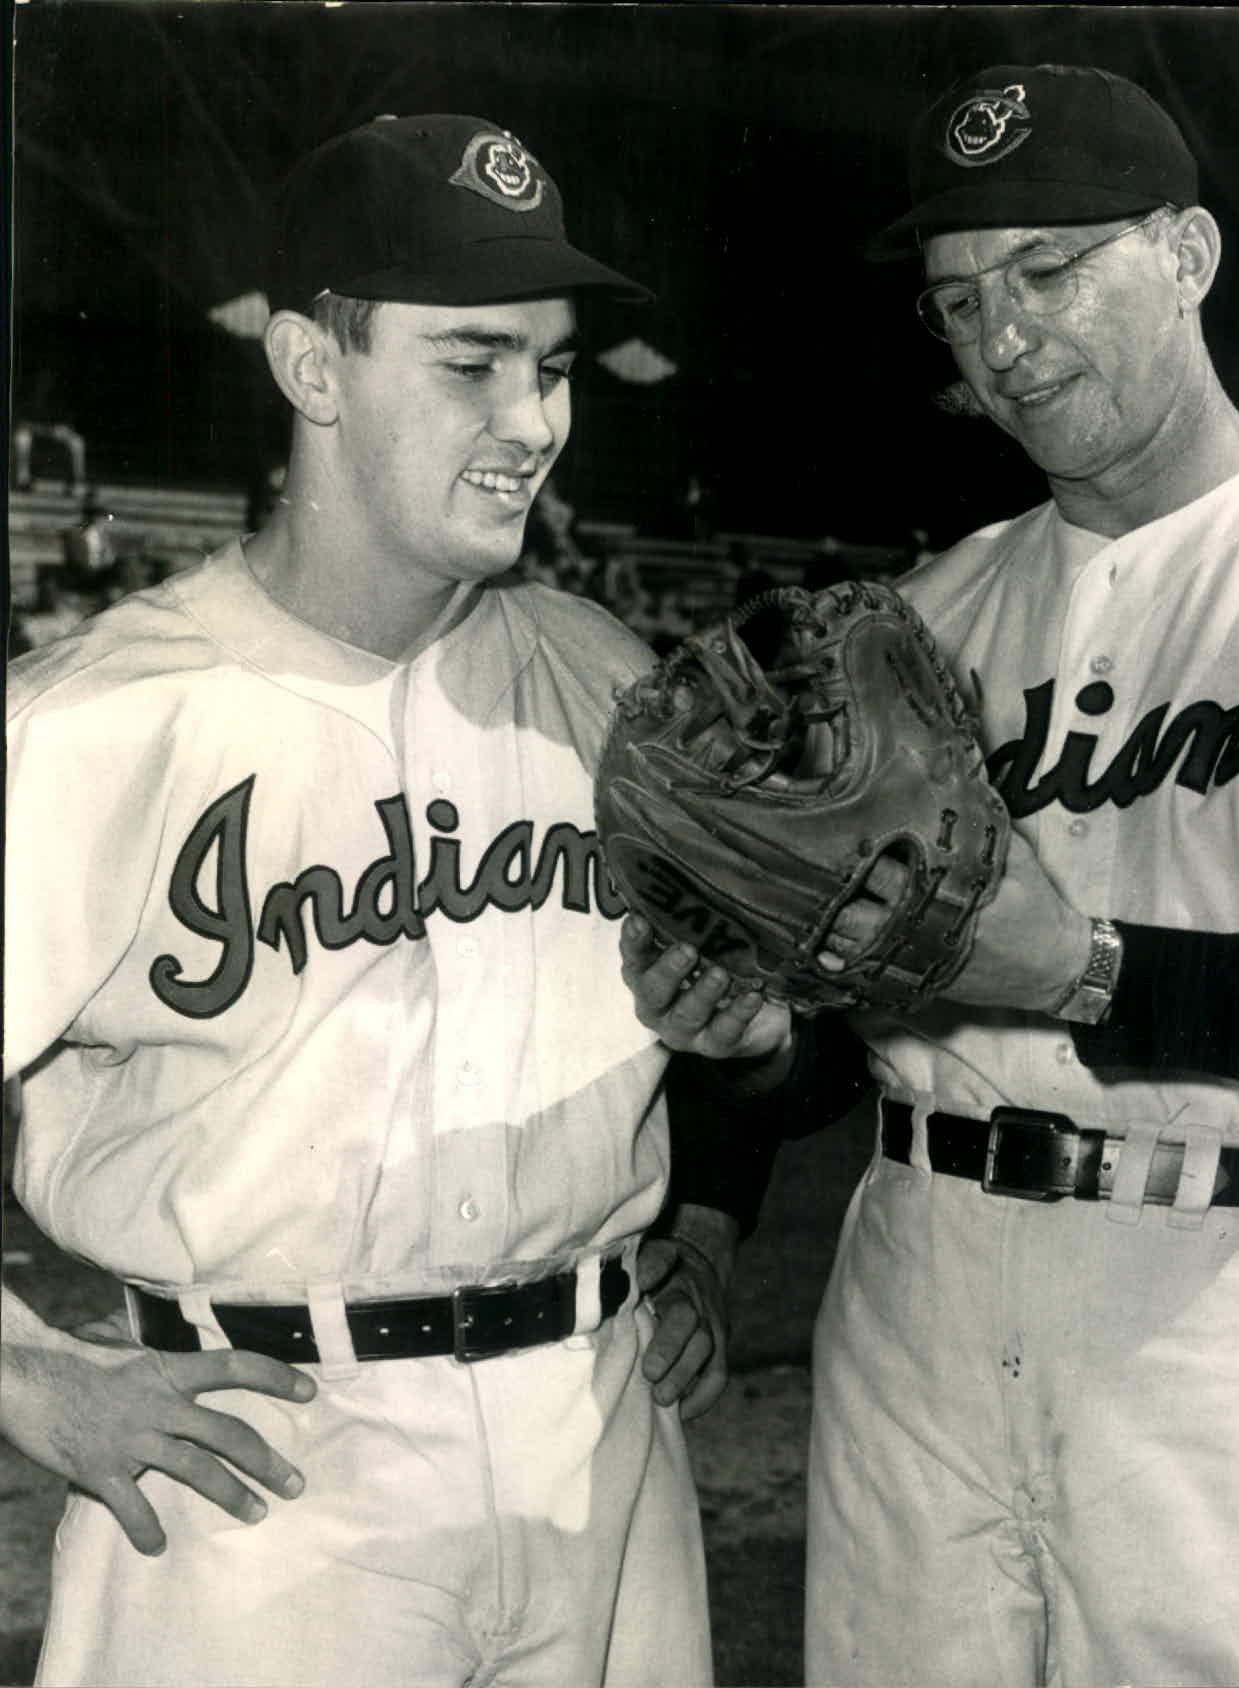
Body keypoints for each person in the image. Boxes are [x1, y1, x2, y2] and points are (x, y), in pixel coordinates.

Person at [624, 62, 1239, 1688]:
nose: (1003, 336)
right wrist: (756, 1046)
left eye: (1047, 270)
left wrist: (1085, 973)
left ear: (1189, 255)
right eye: (960, 302)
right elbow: (841, 1040)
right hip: (924, 1299)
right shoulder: (923, 618)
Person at [2, 111, 770, 1688]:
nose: (533, 420)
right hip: (269, 1482)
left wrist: (714, 1179)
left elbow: (748, 1044)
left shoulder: (609, 682)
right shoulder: (90, 721)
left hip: (602, 1444)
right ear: (312, 367)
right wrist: (29, 1381)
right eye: (471, 363)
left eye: (552, 366)